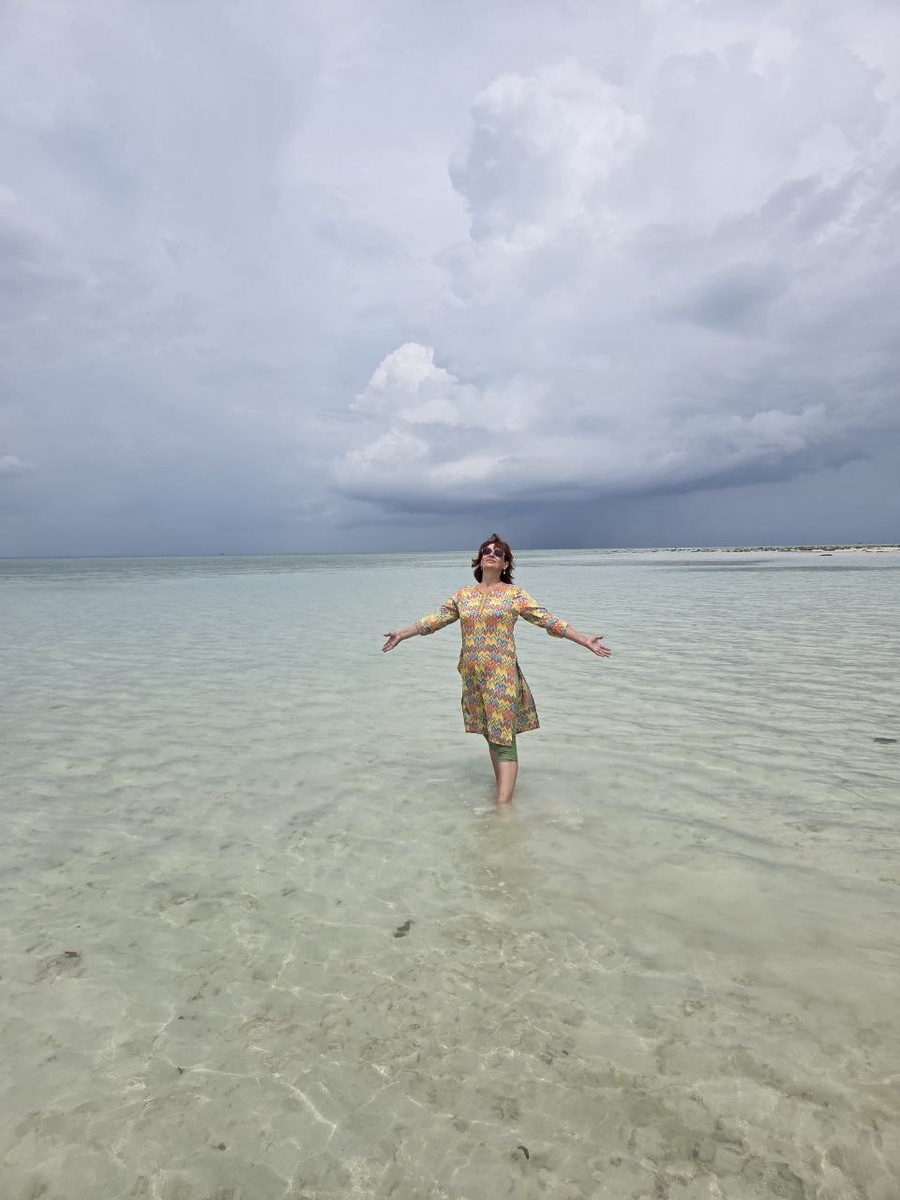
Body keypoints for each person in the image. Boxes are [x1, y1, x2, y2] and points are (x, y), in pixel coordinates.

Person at [382, 533, 611, 805]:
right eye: (486, 551)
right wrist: (402, 634)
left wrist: (584, 640)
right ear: (480, 560)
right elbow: (434, 620)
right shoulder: (464, 595)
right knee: (491, 734)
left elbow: (548, 620)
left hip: (502, 676)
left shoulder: (514, 595)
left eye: (498, 552)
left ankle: (502, 810)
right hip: (472, 676)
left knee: (503, 738)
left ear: (505, 564)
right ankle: (502, 793)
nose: (491, 554)